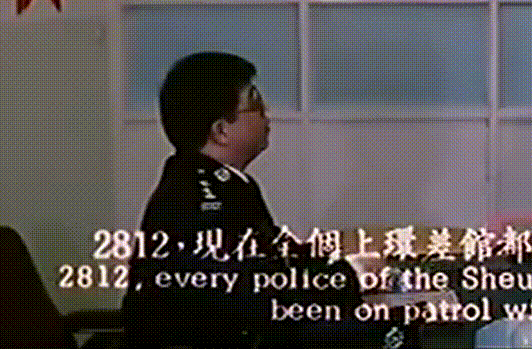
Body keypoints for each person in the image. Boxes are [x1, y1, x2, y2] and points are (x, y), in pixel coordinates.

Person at [122, 52, 366, 348]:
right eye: (256, 103)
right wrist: (350, 276)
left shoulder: (226, 184)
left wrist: (343, 260)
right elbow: (257, 299)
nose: (267, 114)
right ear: (221, 131)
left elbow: (278, 260)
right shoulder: (196, 201)